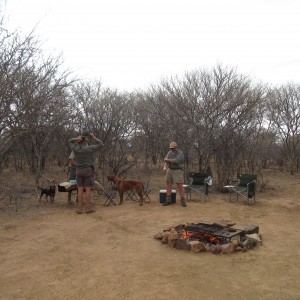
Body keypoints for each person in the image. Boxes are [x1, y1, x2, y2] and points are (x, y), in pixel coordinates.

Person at [68, 132, 104, 214]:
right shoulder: (89, 148)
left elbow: (69, 141)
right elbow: (101, 144)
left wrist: (76, 138)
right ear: (85, 142)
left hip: (79, 170)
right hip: (88, 170)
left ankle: (79, 208)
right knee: (88, 189)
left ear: (79, 141)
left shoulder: (75, 149)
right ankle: (88, 208)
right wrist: (94, 137)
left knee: (80, 189)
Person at [163, 141, 187, 207]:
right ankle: (168, 200)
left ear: (176, 147)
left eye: (173, 148)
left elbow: (176, 161)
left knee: (179, 185)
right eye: (170, 148)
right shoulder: (169, 152)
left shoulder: (180, 153)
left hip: (177, 170)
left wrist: (167, 160)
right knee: (168, 183)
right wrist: (165, 166)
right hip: (170, 169)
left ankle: (183, 200)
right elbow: (166, 161)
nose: (171, 149)